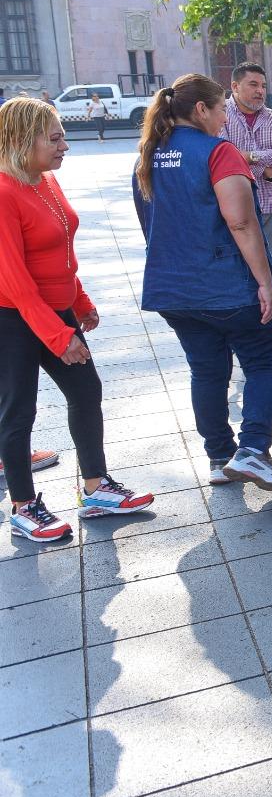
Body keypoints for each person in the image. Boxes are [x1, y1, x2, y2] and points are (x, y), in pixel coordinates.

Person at [0, 98, 155, 542]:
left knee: (86, 391)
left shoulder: (46, 180)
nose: (65, 146)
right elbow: (15, 281)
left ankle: (95, 488)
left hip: (56, 311)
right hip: (13, 318)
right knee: (18, 410)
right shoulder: (4, 192)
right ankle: (23, 507)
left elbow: (60, 249)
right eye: (55, 138)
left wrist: (79, 302)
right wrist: (56, 334)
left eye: (63, 137)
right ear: (22, 140)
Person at [132, 75, 272, 491]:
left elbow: (152, 225)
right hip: (227, 286)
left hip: (173, 288)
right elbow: (241, 223)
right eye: (222, 109)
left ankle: (220, 456)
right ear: (201, 109)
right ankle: (253, 450)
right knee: (265, 361)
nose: (225, 119)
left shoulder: (148, 155)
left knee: (206, 371)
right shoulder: (219, 152)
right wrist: (265, 283)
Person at [219, 62, 272, 264]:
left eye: (263, 86)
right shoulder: (221, 115)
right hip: (233, 208)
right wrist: (268, 170)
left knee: (268, 267)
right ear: (235, 86)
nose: (260, 91)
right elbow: (224, 158)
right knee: (237, 270)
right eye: (253, 84)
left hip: (270, 205)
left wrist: (251, 157)